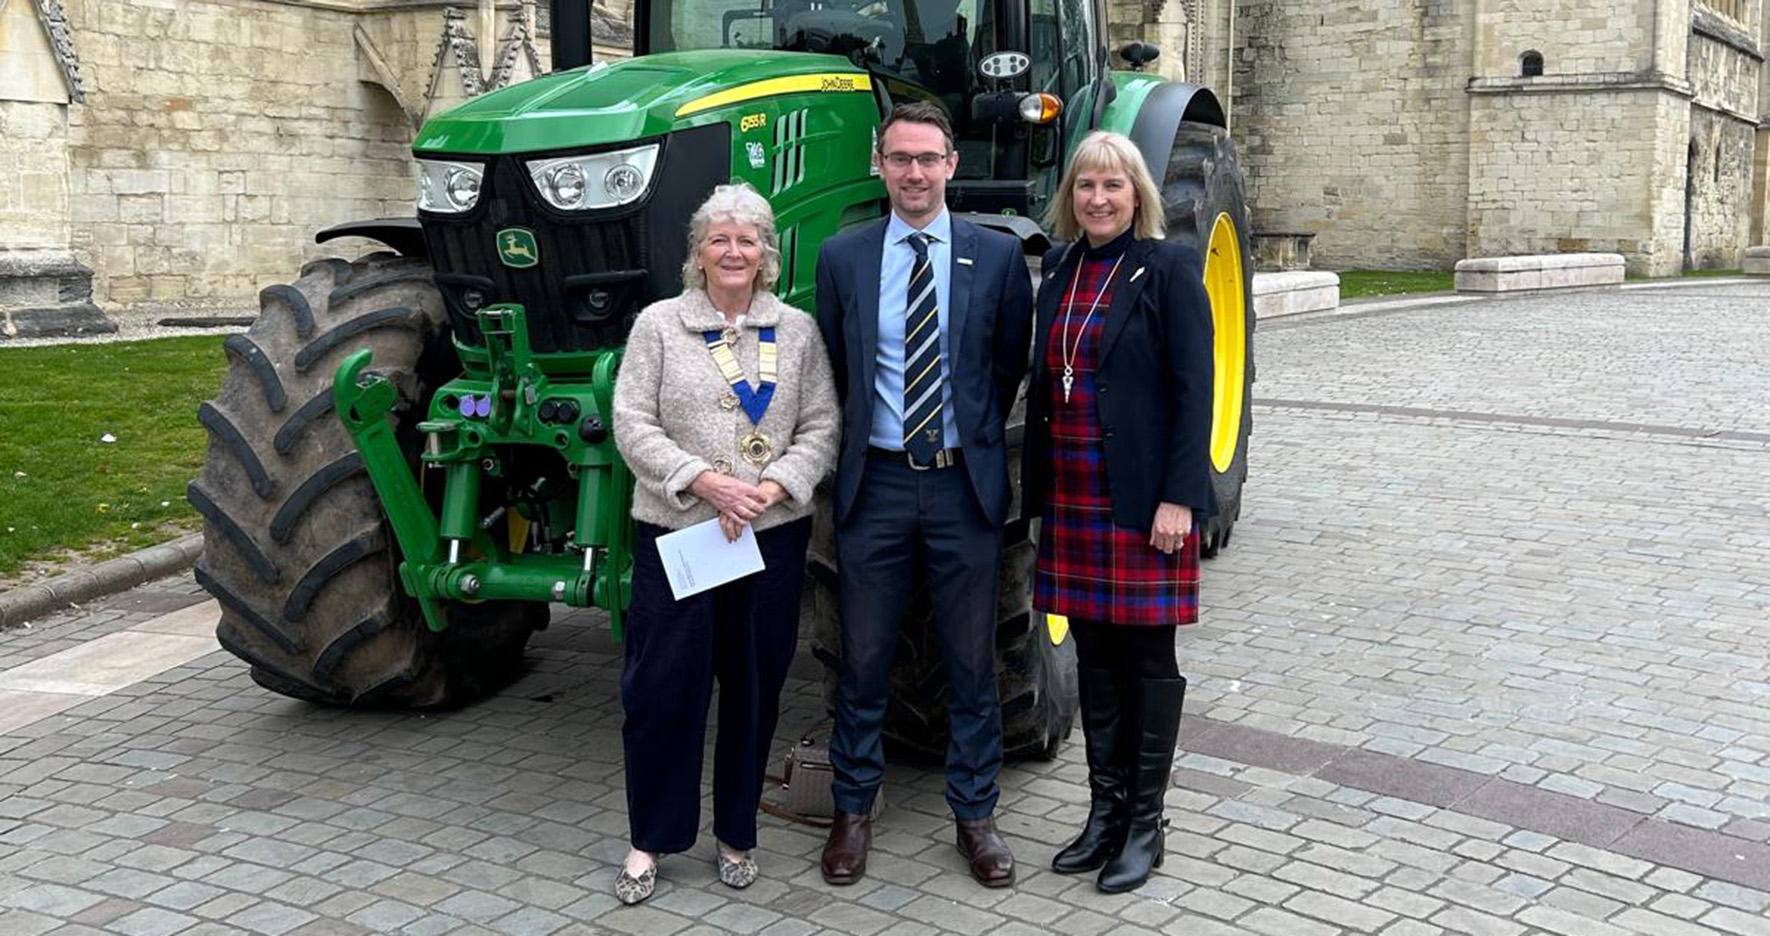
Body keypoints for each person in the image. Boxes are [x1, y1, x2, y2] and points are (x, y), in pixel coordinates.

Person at [815, 102, 1034, 888]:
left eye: (928, 158)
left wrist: (963, 438)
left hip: (960, 488)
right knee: (864, 662)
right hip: (873, 486)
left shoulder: (997, 256)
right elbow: (839, 371)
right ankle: (851, 812)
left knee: (972, 663)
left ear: (952, 166)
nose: (914, 173)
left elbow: (1003, 367)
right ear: (880, 165)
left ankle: (975, 816)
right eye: (900, 158)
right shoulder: (842, 258)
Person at [610, 182, 839, 905]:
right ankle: (651, 836)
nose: (734, 251)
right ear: (698, 253)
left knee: (751, 690)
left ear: (766, 254)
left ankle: (737, 832)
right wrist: (704, 481)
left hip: (767, 539)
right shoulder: (658, 325)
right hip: (680, 533)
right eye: (720, 239)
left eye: (747, 239)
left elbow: (823, 427)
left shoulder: (796, 330)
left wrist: (771, 490)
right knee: (661, 691)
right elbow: (631, 422)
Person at [1020, 131, 1215, 894]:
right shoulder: (1063, 267)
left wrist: (1181, 496)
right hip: (1073, 493)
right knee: (1094, 659)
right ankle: (1103, 816)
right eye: (1086, 186)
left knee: (1147, 661)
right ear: (1070, 197)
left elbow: (1194, 391)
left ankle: (1145, 825)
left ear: (1138, 195)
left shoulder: (1167, 267)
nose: (1098, 199)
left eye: (1114, 186)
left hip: (1140, 500)